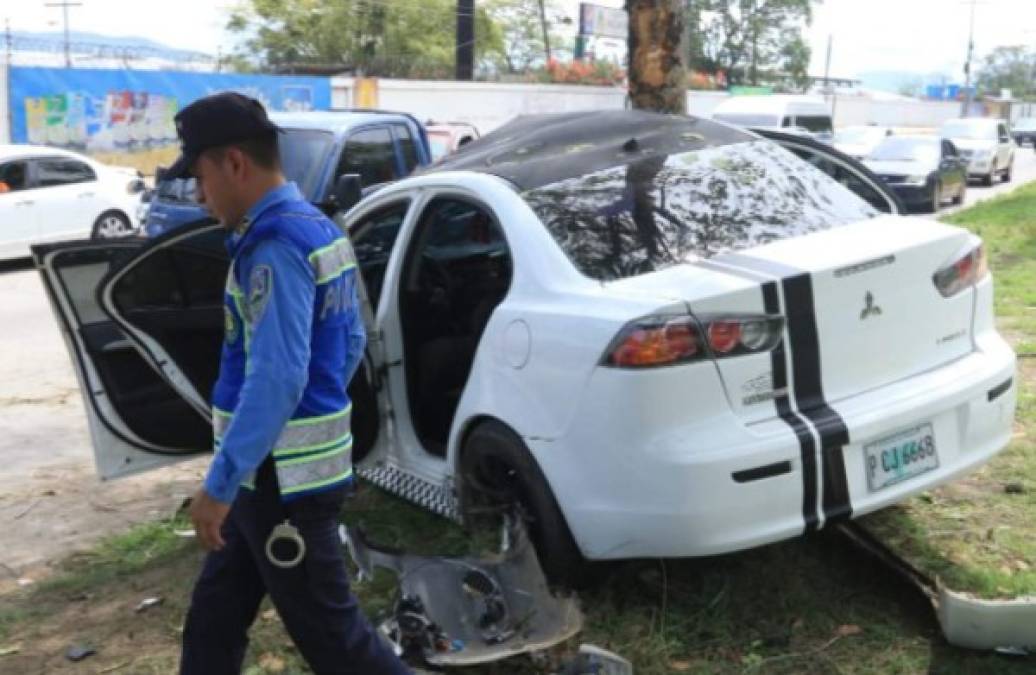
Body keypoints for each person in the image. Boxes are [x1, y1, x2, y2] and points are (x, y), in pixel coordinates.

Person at [169, 92, 409, 675]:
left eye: (199, 177)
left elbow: (277, 376)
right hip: (273, 476)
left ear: (233, 163)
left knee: (338, 641)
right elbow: (350, 342)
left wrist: (221, 483)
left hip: (282, 482)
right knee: (214, 619)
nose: (198, 195)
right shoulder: (317, 227)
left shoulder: (274, 246)